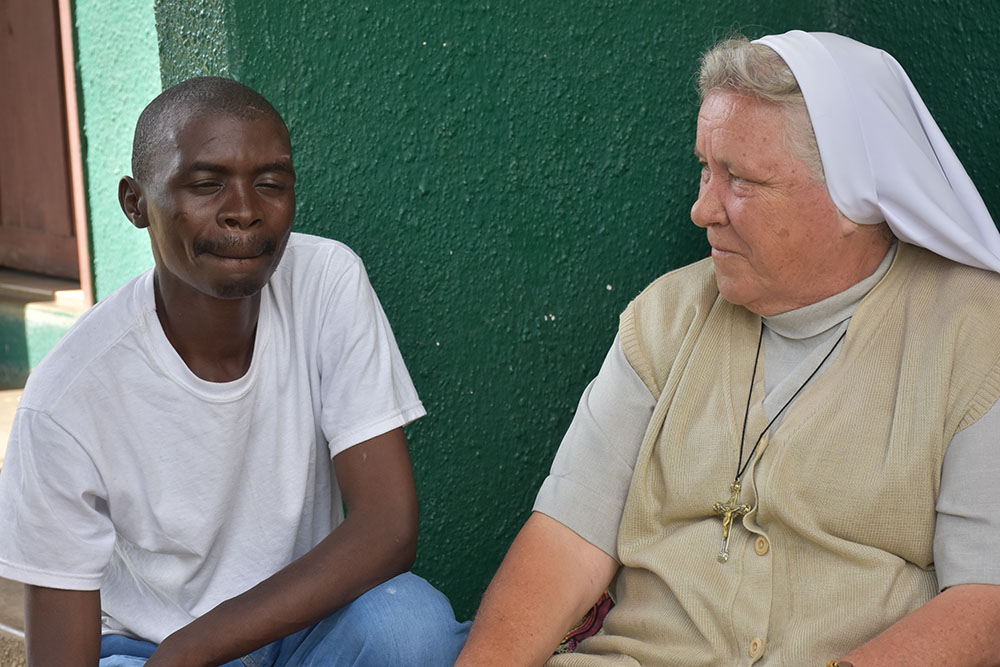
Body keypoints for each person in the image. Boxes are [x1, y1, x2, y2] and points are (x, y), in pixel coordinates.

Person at [456, 30, 1000, 666]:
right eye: (704, 169)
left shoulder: (973, 334)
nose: (701, 209)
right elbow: (565, 541)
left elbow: (984, 600)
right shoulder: (663, 319)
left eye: (739, 179)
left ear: (854, 194)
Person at [0, 77, 469, 666]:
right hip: (143, 646)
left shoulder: (327, 283)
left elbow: (388, 526)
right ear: (135, 203)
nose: (244, 212)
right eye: (205, 185)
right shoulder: (67, 399)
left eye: (271, 183)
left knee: (411, 627)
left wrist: (191, 651)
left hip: (300, 629)